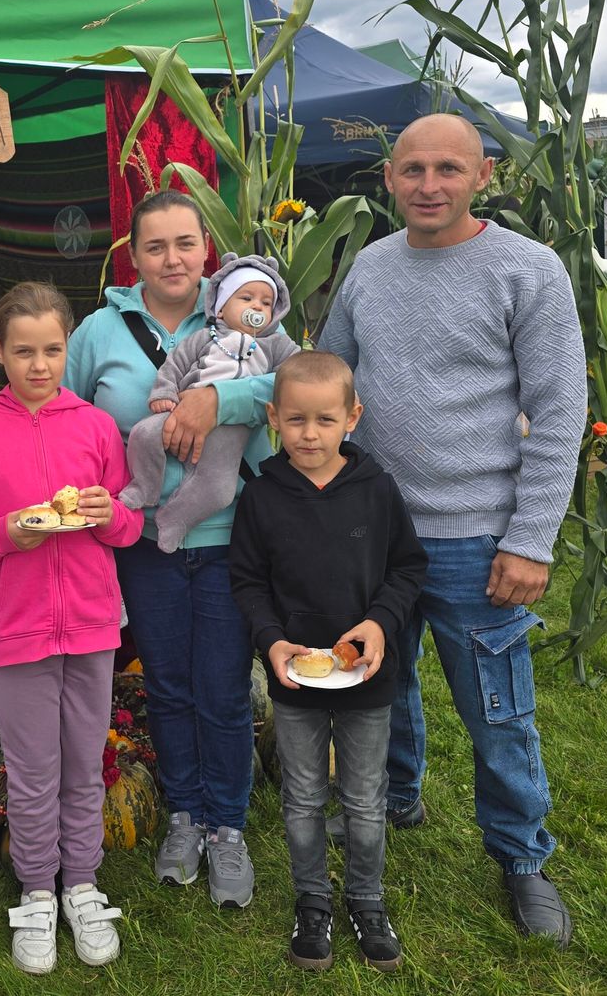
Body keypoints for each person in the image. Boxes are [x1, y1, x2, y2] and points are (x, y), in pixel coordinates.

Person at [319, 113, 587, 946]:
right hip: (376, 530)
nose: (428, 185)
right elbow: (331, 379)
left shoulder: (526, 271)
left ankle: (522, 856)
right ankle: (397, 793)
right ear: (389, 178)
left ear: (484, 176)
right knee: (377, 684)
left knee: (498, 708)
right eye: (411, 169)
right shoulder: (368, 267)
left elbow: (560, 409)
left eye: (447, 168)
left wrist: (531, 537)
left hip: (479, 537)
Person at [0, 282, 142, 975]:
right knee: (34, 768)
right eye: (23, 351)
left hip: (93, 625)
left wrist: (109, 513)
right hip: (15, 631)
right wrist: (3, 534)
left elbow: (129, 525)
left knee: (83, 763)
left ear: (67, 345)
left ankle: (82, 884)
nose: (39, 365)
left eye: (51, 349)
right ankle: (38, 890)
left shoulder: (98, 428)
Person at [65, 189, 276, 909]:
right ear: (133, 256)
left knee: (222, 688)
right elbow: (65, 419)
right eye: (156, 246)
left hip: (229, 538)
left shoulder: (244, 309)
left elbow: (296, 383)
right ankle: (184, 813)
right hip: (144, 541)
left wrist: (217, 401)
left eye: (186, 243)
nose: (173, 258)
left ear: (205, 250)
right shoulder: (97, 331)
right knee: (167, 683)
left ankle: (229, 825)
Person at [230, 351, 426, 972]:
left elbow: (407, 566)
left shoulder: (376, 488)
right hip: (295, 682)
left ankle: (367, 902)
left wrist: (380, 624)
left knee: (366, 799)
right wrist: (271, 640)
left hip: (367, 680)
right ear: (273, 419)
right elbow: (247, 582)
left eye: (323, 420)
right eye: (295, 421)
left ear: (352, 417)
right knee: (304, 797)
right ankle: (312, 901)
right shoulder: (262, 498)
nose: (309, 434)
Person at [119, 252, 300, 553]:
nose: (257, 306)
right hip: (182, 409)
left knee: (219, 490)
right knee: (144, 435)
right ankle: (144, 487)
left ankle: (175, 519)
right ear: (221, 306)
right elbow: (174, 366)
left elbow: (300, 374)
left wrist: (230, 397)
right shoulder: (206, 337)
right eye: (246, 298)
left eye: (266, 303)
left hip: (231, 432)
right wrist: (163, 393)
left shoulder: (275, 344)